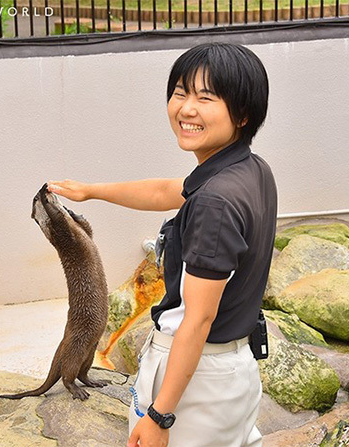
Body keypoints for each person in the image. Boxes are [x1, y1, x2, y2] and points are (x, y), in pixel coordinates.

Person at [47, 42, 277, 447]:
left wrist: (160, 415)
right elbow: (164, 191)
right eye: (181, 92)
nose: (187, 108)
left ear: (242, 114)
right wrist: (91, 191)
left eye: (206, 97)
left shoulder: (215, 203)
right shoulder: (248, 169)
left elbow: (198, 320)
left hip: (197, 380)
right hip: (230, 371)